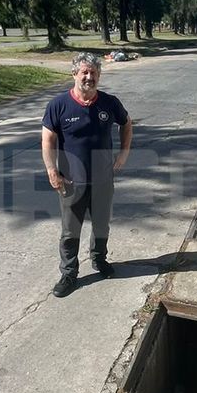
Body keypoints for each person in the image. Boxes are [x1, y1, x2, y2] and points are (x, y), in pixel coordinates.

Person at [41, 53, 133, 298]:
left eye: (93, 73)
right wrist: (51, 169)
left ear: (99, 76)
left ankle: (99, 259)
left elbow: (127, 123)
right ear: (74, 74)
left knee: (102, 224)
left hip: (103, 178)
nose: (89, 77)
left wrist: (123, 153)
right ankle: (69, 273)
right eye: (84, 72)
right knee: (70, 231)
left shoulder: (109, 103)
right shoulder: (59, 105)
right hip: (71, 181)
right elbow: (47, 138)